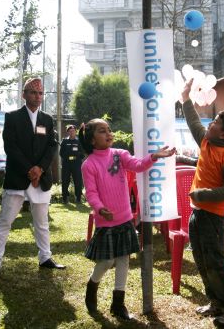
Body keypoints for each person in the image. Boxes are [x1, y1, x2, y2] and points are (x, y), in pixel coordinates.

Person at [79, 118, 175, 319]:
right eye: (102, 131)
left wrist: (154, 156)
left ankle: (118, 304)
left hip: (124, 219)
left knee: (123, 259)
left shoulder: (119, 154)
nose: (108, 134)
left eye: (109, 130)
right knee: (107, 261)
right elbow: (91, 193)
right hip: (106, 222)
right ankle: (92, 284)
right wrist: (100, 208)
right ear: (91, 140)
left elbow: (138, 165)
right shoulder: (89, 164)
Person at [182, 79, 224, 327]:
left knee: (216, 262)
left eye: (216, 122)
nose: (210, 123)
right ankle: (216, 302)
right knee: (201, 258)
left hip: (213, 216)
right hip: (197, 214)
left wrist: (202, 194)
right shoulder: (207, 142)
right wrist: (185, 98)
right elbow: (193, 122)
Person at [0, 77, 66, 280]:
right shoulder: (13, 117)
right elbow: (11, 147)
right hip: (18, 178)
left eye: (41, 93)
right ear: (24, 94)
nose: (37, 96)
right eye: (33, 92)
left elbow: (52, 145)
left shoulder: (47, 120)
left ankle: (45, 258)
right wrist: (29, 169)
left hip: (41, 179)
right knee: (5, 222)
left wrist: (40, 169)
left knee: (42, 222)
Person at [60, 124, 84, 203]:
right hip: (66, 164)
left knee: (78, 180)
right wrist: (67, 157)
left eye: (73, 131)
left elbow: (82, 153)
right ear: (68, 132)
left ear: (76, 131)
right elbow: (61, 153)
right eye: (70, 131)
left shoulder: (79, 141)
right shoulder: (65, 141)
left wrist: (77, 156)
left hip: (76, 164)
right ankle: (65, 198)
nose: (72, 132)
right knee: (65, 181)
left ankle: (78, 198)